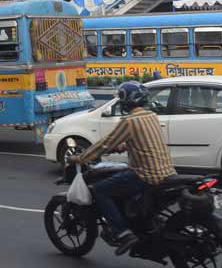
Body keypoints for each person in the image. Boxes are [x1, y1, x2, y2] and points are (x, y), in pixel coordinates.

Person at [70, 81, 176, 256]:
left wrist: (80, 158)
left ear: (126, 101)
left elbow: (105, 143)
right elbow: (146, 142)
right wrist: (125, 146)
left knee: (99, 190)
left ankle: (123, 233)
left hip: (146, 174)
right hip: (167, 172)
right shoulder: (151, 116)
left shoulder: (130, 121)